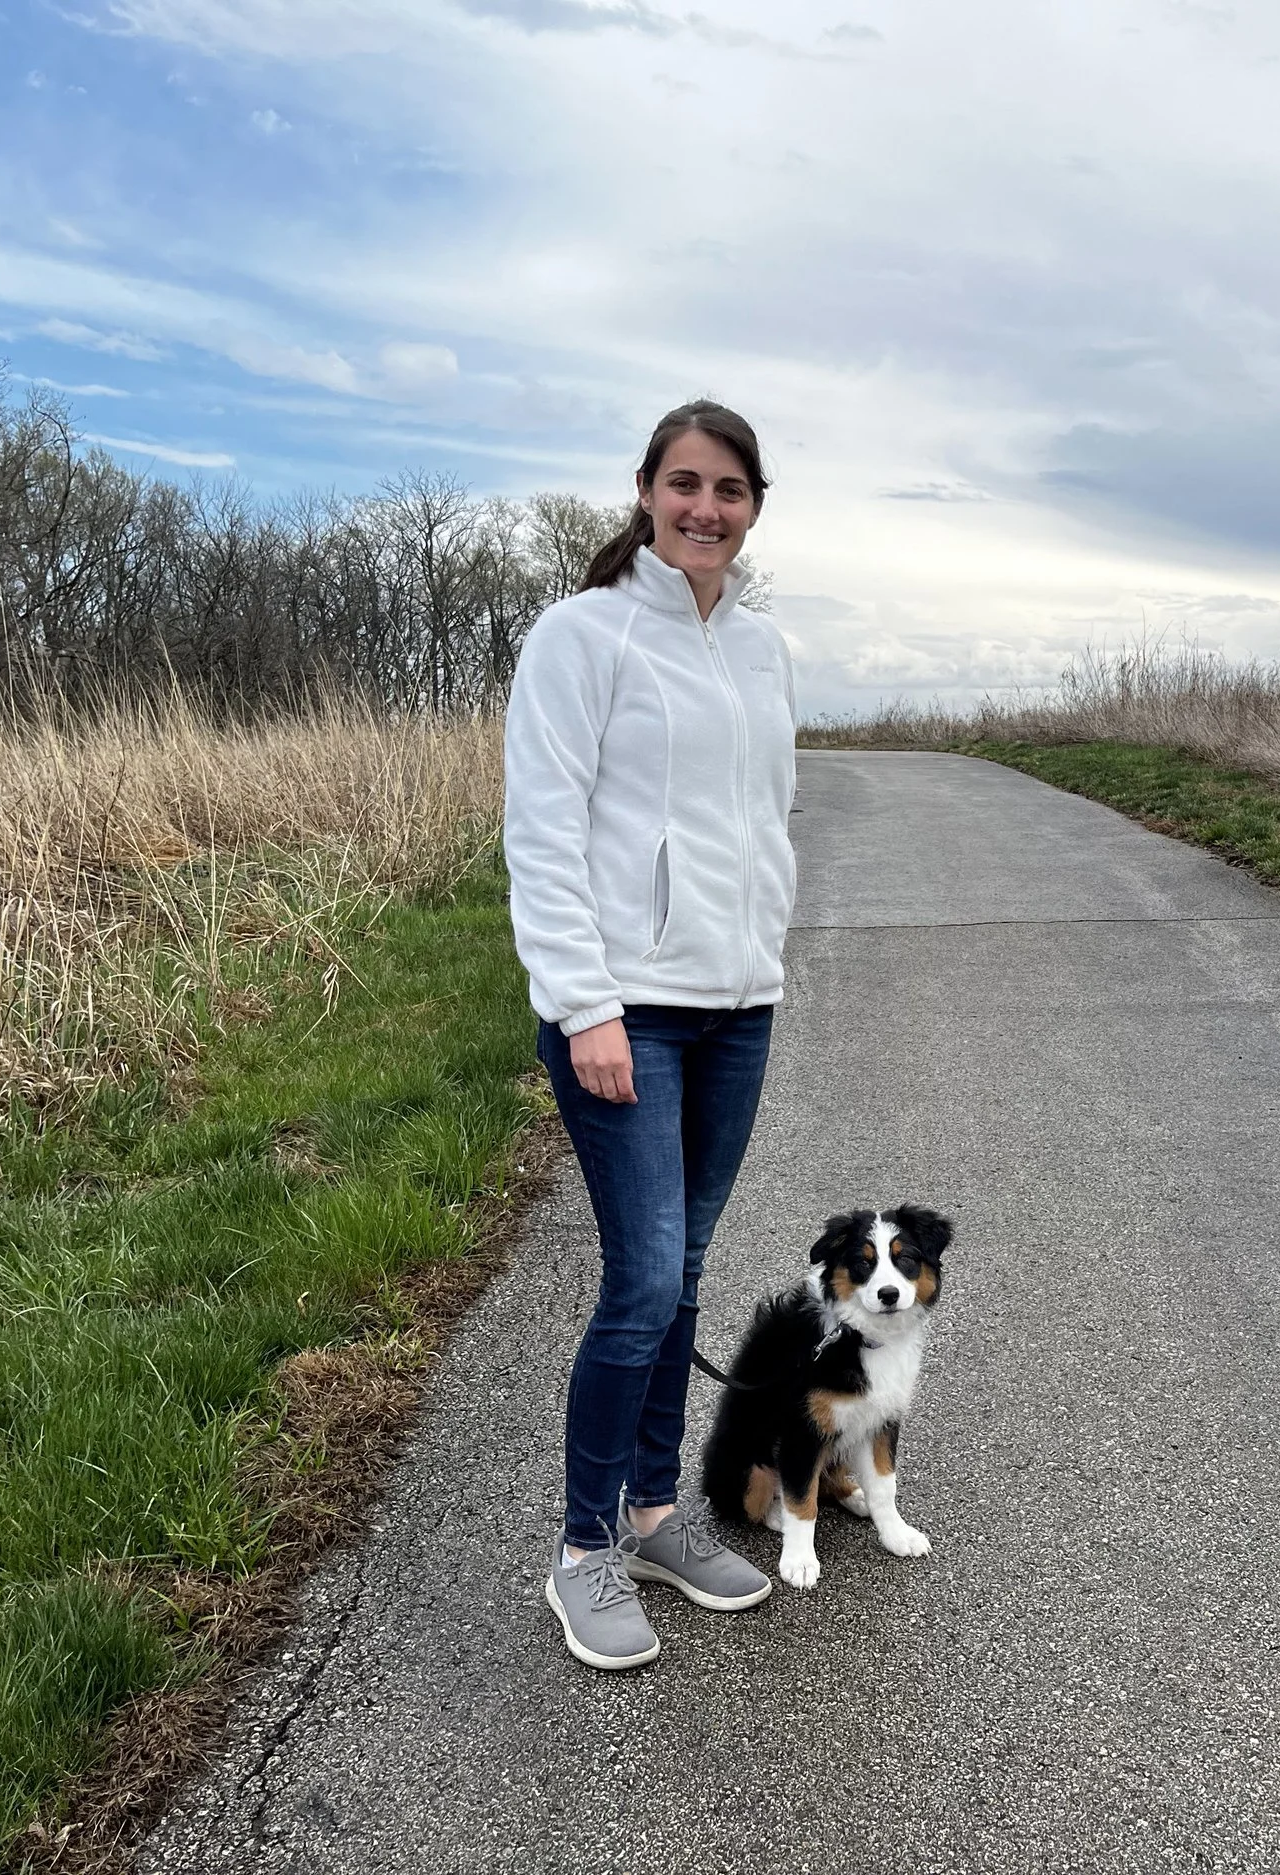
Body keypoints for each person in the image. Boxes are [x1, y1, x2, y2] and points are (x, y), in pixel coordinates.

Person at [503, 400, 797, 1670]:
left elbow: (769, 822)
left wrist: (764, 952)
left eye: (728, 491)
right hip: (625, 1011)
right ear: (643, 491)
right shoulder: (580, 636)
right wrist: (586, 1005)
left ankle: (659, 1510)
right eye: (684, 484)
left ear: (752, 508)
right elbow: (545, 832)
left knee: (681, 1277)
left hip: (737, 1009)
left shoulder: (765, 650)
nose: (704, 509)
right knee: (637, 1282)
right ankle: (581, 1555)